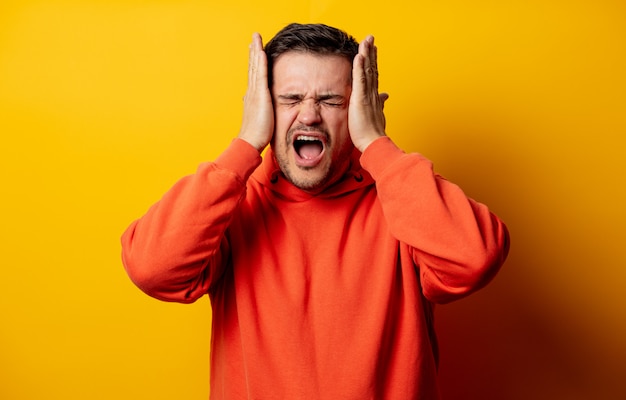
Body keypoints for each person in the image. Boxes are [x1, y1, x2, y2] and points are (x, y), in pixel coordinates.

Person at [121, 23, 510, 399]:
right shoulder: (232, 205)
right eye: (289, 100)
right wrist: (245, 143)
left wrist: (377, 143)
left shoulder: (401, 201)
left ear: (361, 109)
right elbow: (152, 268)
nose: (308, 116)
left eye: (331, 101)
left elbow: (474, 258)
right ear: (263, 108)